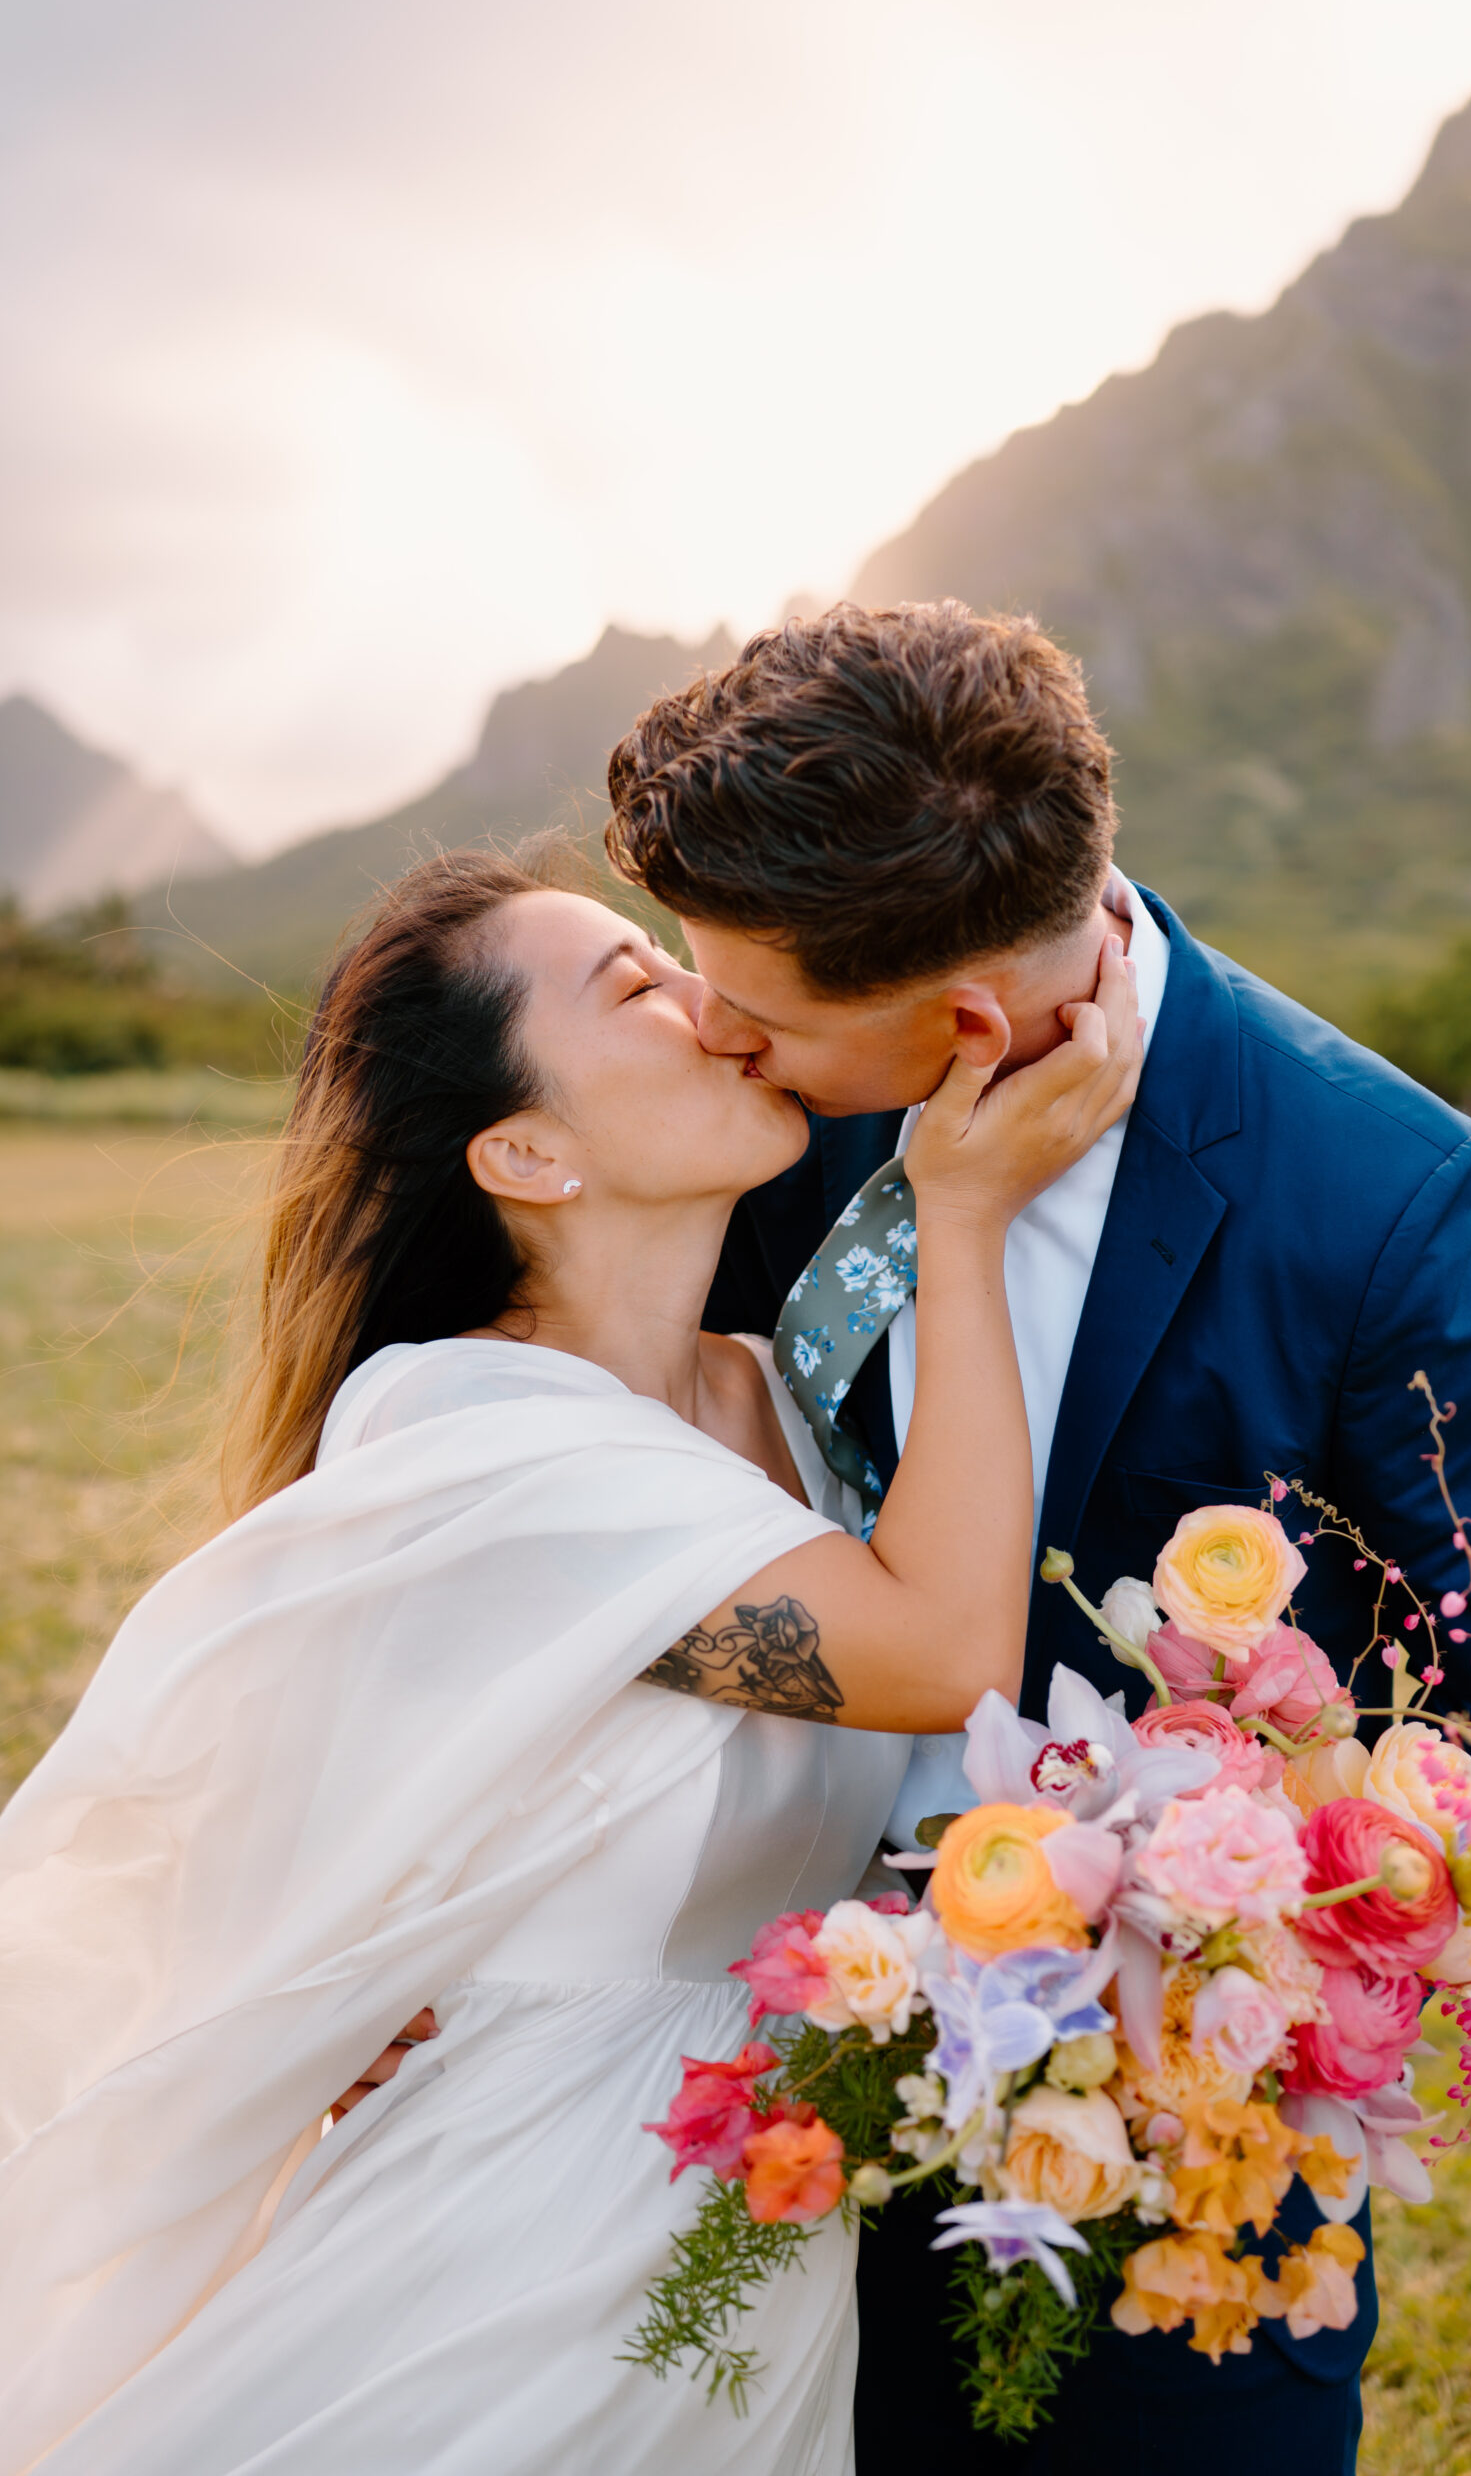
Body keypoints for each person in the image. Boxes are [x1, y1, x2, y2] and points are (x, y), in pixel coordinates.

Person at [602, 598, 1471, 2473]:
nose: (704, 1026)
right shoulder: (738, 1110)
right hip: (687, 2090)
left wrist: (1192, 1961)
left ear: (965, 1025)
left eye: (756, 1006)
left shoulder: (1385, 1201)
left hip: (1141, 2170)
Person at [0, 845, 1142, 2476]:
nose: (718, 1008)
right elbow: (946, 1650)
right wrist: (962, 1211)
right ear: (526, 1151)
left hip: (742, 2232)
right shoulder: (478, 1433)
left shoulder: (777, 1398)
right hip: (515, 2246)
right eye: (640, 985)